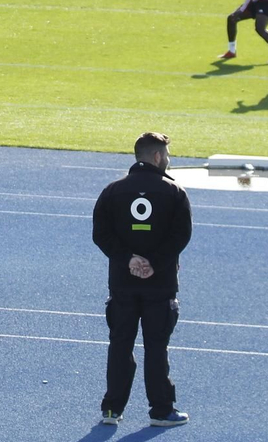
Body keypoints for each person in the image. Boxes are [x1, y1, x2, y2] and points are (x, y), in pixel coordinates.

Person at [91, 130, 192, 429]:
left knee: (120, 344)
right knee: (156, 347)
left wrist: (129, 260)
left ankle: (111, 410)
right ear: (158, 156)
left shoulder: (112, 191)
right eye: (168, 155)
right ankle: (161, 411)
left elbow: (101, 235)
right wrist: (154, 264)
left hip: (122, 282)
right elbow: (181, 236)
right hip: (159, 285)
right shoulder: (175, 192)